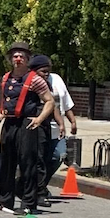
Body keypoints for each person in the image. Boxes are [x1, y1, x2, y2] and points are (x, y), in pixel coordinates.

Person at [0, 41, 57, 215]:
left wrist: (39, 119)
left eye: (21, 56)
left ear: (27, 59)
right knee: (6, 163)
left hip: (27, 124)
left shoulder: (35, 80)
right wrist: (0, 115)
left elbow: (50, 101)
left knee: (27, 164)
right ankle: (5, 200)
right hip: (9, 124)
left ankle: (28, 203)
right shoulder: (6, 78)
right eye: (15, 56)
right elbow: (5, 101)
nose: (18, 59)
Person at [30, 54, 77, 198]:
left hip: (56, 128)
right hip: (40, 127)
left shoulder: (56, 79)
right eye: (43, 71)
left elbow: (63, 103)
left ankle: (41, 185)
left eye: (48, 70)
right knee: (40, 159)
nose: (46, 74)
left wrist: (72, 121)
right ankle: (38, 189)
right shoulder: (32, 82)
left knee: (59, 155)